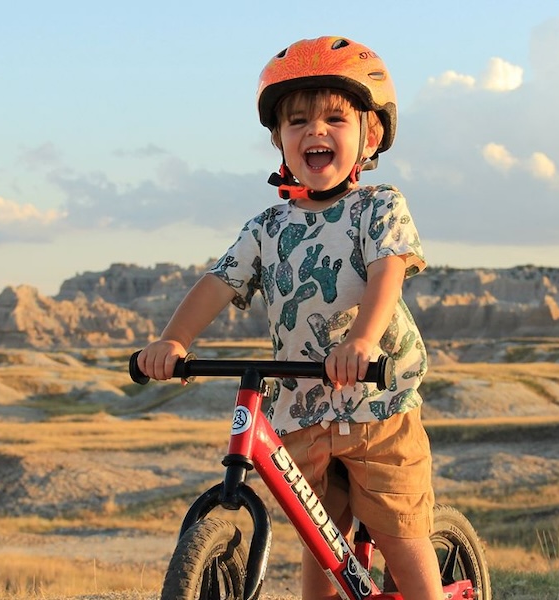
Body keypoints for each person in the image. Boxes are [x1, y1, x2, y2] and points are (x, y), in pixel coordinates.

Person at [137, 35, 442, 600]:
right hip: (300, 406)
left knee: (400, 532)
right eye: (297, 121)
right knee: (320, 544)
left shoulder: (378, 206)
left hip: (378, 401)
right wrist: (173, 340)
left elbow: (387, 273)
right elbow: (217, 283)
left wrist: (363, 341)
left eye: (334, 118)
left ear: (369, 135)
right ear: (279, 138)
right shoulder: (267, 227)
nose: (315, 131)